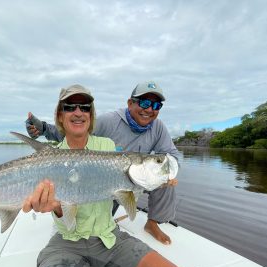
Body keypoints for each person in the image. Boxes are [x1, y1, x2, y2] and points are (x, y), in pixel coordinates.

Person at [22, 84, 200, 267]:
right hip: (66, 241)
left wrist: (156, 176)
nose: (78, 112)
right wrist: (57, 208)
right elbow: (67, 222)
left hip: (109, 237)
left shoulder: (107, 146)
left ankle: (153, 224)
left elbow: (130, 178)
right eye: (69, 107)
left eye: (84, 107)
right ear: (60, 115)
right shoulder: (51, 157)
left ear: (91, 115)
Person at [26, 80, 178, 245]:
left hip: (136, 177)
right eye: (144, 102)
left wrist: (170, 174)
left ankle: (153, 223)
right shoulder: (109, 121)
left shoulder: (158, 127)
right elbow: (75, 131)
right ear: (130, 103)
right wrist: (44, 129)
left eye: (156, 105)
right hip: (106, 180)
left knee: (165, 174)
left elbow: (172, 154)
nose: (149, 109)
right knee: (89, 215)